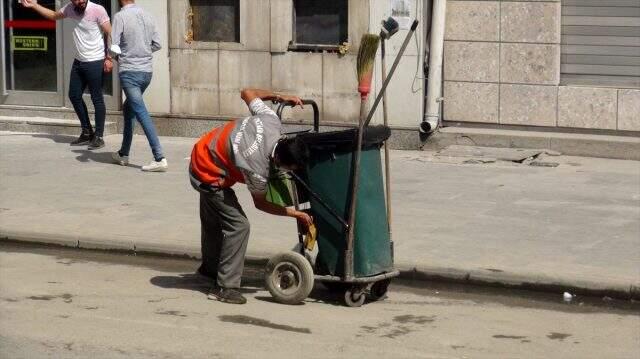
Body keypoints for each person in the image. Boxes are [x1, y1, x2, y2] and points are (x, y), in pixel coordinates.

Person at [190, 88, 313, 304]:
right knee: (239, 226)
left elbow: (246, 92)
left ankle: (209, 270)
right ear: (279, 162)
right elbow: (261, 204)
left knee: (213, 221)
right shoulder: (257, 168)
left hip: (205, 148)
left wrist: (278, 95)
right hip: (207, 173)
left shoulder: (271, 119)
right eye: (288, 169)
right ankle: (225, 288)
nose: (287, 172)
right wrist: (296, 214)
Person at [21, 0, 112, 149]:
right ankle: (87, 131)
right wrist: (35, 5)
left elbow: (110, 31)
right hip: (79, 61)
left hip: (95, 60)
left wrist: (109, 57)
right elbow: (53, 15)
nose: (81, 1)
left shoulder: (97, 9)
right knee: (74, 95)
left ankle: (99, 136)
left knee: (97, 99)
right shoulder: (70, 9)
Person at [109, 0, 167, 172]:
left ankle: (159, 157)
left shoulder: (120, 17)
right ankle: (124, 153)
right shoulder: (148, 15)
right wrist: (142, 52)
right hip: (146, 73)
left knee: (141, 112)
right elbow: (157, 44)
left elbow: (114, 46)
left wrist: (118, 56)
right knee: (130, 110)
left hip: (130, 73)